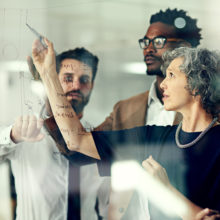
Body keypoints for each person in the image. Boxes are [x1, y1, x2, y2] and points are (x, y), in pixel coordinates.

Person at [31, 36, 220, 219]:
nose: (163, 84)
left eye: (171, 75)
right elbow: (76, 140)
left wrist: (166, 189)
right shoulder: (153, 136)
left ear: (197, 84)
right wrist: (48, 74)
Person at [0, 47, 109, 220]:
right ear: (53, 81)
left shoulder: (99, 141)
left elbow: (107, 206)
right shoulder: (25, 130)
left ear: (92, 85)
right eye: (67, 78)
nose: (76, 86)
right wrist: (12, 136)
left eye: (84, 79)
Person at [96, 8, 202, 131]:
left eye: (158, 41)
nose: (148, 49)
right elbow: (81, 144)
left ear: (184, 47)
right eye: (146, 42)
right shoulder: (124, 109)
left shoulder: (208, 108)